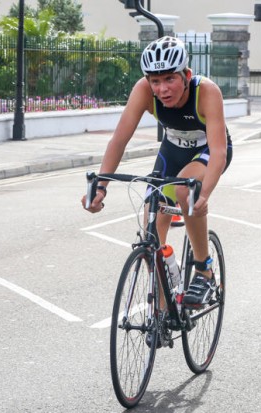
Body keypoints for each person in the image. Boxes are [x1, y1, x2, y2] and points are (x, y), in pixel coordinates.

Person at [81, 36, 232, 308]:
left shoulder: (207, 92)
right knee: (152, 229)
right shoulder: (143, 90)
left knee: (185, 190)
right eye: (155, 81)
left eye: (170, 79)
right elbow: (119, 140)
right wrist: (101, 187)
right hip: (173, 150)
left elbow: (219, 152)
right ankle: (163, 308)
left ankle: (204, 270)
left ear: (186, 75)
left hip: (208, 150)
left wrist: (204, 195)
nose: (162, 89)